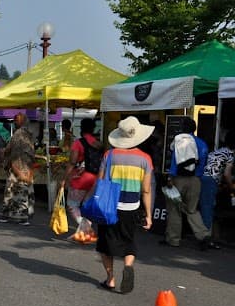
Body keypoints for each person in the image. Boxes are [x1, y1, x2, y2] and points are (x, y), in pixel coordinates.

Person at [95, 117, 154, 294]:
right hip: (131, 206)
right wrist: (148, 215)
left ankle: (110, 279)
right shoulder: (145, 159)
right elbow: (146, 190)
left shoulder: (109, 155)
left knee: (105, 244)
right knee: (128, 241)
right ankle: (128, 266)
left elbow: (100, 180)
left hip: (109, 207)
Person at [163, 117, 215, 249]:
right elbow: (203, 162)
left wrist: (170, 177)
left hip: (179, 179)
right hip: (196, 180)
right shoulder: (202, 144)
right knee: (192, 209)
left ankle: (173, 239)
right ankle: (203, 235)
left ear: (182, 128)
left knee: (174, 210)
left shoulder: (180, 141)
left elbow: (174, 162)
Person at [0, 113, 35, 225]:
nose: (14, 122)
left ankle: (11, 216)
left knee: (13, 192)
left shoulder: (18, 134)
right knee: (24, 191)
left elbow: (14, 153)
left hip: (18, 167)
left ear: (20, 121)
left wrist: (11, 165)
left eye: (16, 120)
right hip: (27, 167)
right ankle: (23, 216)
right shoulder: (29, 134)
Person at [64, 118, 103, 231]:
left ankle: (85, 229)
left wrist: (65, 178)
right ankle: (84, 232)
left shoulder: (78, 143)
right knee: (87, 206)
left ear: (81, 128)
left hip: (80, 179)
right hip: (95, 179)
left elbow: (72, 162)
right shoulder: (99, 144)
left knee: (72, 205)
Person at [200, 130, 235, 231]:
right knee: (208, 208)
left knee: (205, 206)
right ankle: (206, 234)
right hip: (211, 180)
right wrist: (231, 186)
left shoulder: (220, 150)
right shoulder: (230, 154)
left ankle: (206, 232)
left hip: (203, 178)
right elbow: (227, 174)